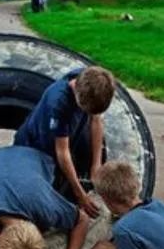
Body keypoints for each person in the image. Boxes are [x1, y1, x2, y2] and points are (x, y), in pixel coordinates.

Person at [13, 66, 116, 218]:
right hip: (35, 146)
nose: (88, 115)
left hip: (68, 135)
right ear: (77, 96)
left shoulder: (92, 80)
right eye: (86, 111)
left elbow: (96, 120)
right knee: (39, 193)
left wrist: (96, 164)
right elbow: (62, 151)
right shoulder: (58, 102)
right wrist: (80, 194)